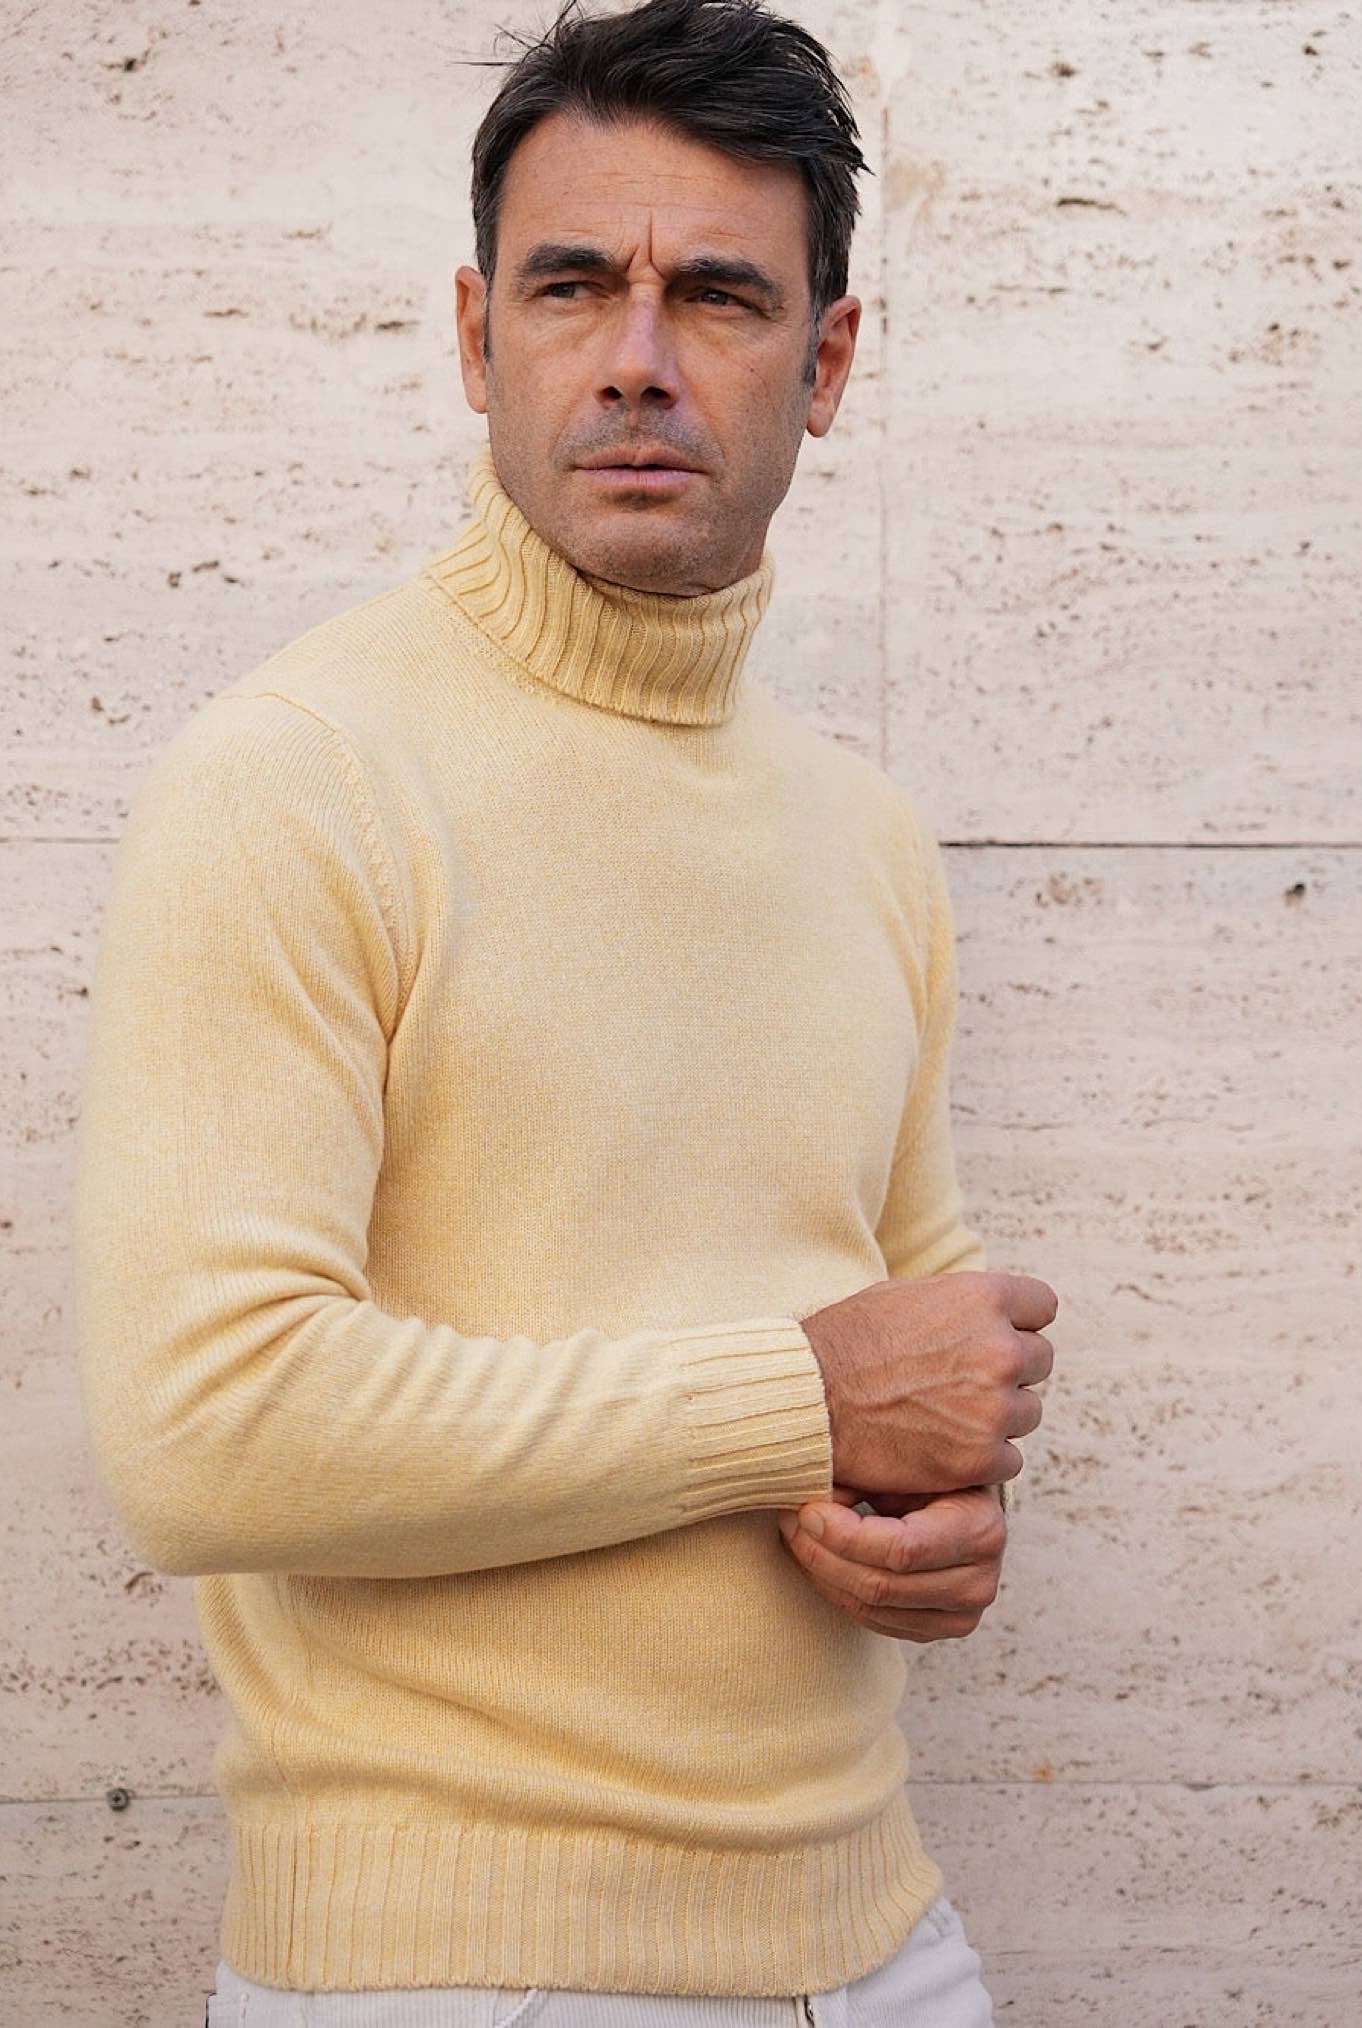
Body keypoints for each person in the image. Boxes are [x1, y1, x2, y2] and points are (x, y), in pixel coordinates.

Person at [70, 1, 1058, 2023]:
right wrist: (802, 1404)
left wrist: (941, 1514)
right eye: (571, 285)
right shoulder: (298, 779)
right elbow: (206, 1432)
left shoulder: (865, 837)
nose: (634, 356)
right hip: (462, 1967)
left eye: (717, 296)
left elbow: (917, 1351)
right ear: (475, 335)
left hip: (881, 1941)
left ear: (827, 362)